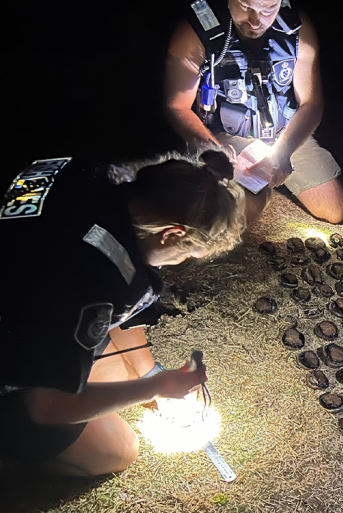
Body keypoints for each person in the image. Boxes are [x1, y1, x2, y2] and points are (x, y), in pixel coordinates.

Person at [0, 149, 247, 476]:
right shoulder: (91, 279)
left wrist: (147, 376)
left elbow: (118, 299)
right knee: (117, 450)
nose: (182, 263)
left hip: (18, 283)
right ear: (172, 234)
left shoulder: (97, 175)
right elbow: (46, 407)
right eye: (188, 255)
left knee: (119, 377)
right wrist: (154, 387)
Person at [165, 0, 343, 224]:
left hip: (284, 133)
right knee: (245, 210)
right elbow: (177, 106)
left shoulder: (297, 28)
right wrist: (215, 151)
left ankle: (270, 178)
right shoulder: (195, 32)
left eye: (268, 9)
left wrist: (284, 152)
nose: (255, 21)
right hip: (226, 139)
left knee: (336, 209)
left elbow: (311, 103)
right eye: (246, 6)